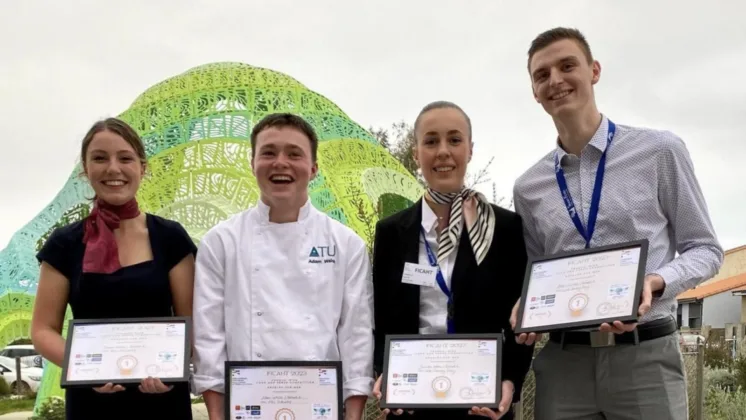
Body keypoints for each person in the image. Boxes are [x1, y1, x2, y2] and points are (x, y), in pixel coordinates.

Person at [510, 27, 724, 419]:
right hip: (563, 365)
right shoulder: (528, 188)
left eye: (567, 65)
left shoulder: (659, 151)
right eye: (542, 75)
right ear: (534, 92)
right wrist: (529, 306)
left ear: (594, 70)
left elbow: (707, 251)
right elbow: (539, 272)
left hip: (645, 357)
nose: (555, 80)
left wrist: (654, 281)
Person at [191, 113, 375, 420]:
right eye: (268, 152)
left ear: (313, 168)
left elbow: (355, 334)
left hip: (321, 410)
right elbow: (209, 336)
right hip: (245, 410)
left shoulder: (346, 244)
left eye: (294, 154)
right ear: (252, 164)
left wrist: (353, 416)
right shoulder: (221, 242)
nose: (280, 163)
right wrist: (216, 415)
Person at [371, 101, 534, 420]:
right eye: (431, 141)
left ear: (470, 150)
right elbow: (382, 317)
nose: (443, 151)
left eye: (454, 140)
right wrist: (384, 369)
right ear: (416, 153)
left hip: (482, 402)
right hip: (411, 402)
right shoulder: (391, 232)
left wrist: (510, 380)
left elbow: (519, 317)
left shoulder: (504, 228)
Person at [30, 117, 197, 419]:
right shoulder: (64, 244)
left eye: (125, 158)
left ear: (142, 168)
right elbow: (42, 330)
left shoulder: (171, 237)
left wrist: (169, 368)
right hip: (91, 403)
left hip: (162, 400)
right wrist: (84, 368)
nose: (113, 169)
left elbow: (191, 321)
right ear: (85, 169)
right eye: (100, 158)